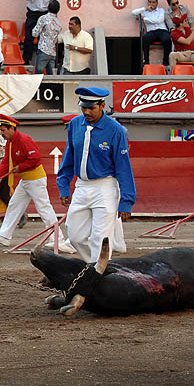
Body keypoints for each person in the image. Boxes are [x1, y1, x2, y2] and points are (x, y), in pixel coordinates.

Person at [57, 87, 136, 272]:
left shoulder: (116, 130)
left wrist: (126, 201)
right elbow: (69, 157)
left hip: (106, 187)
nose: (86, 112)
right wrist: (64, 186)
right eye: (83, 107)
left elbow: (123, 167)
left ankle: (96, 276)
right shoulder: (76, 125)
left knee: (101, 238)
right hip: (81, 186)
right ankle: (96, 269)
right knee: (75, 236)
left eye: (91, 107)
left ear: (102, 105)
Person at [0, 114, 66, 248]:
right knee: (14, 205)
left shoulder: (24, 139)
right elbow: (6, 161)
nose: (1, 133)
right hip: (26, 180)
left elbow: (35, 158)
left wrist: (20, 167)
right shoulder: (10, 142)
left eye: (3, 130)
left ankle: (58, 239)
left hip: (35, 179)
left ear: (12, 129)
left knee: (44, 208)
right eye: (0, 130)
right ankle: (4, 236)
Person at [23, 0, 58, 65]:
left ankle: (41, 60)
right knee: (29, 36)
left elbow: (55, 0)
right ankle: (26, 59)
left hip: (45, 14)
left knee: (44, 38)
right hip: (33, 13)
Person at [132, 0, 172, 66]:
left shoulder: (161, 10)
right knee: (145, 38)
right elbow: (133, 12)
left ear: (157, 3)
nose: (151, 4)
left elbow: (159, 20)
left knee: (167, 39)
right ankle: (146, 61)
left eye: (153, 2)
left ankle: (166, 62)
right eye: (150, 2)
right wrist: (144, 9)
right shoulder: (145, 12)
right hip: (152, 32)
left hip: (162, 30)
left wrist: (145, 19)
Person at [32, 0, 63, 75]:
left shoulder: (43, 18)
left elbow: (35, 33)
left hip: (43, 49)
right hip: (53, 52)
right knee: (51, 76)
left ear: (48, 7)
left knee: (38, 76)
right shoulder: (59, 23)